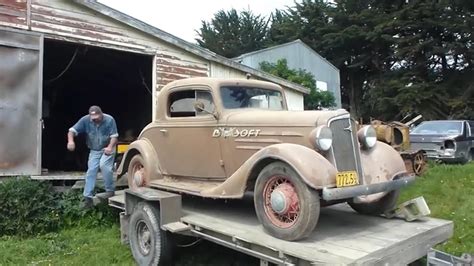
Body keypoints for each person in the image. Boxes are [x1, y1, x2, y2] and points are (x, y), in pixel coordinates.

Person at [67, 105, 118, 208]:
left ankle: (110, 191)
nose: (95, 120)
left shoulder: (109, 120)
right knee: (91, 170)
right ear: (90, 116)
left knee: (104, 166)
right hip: (94, 149)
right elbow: (71, 131)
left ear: (101, 114)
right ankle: (87, 198)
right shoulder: (85, 120)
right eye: (93, 119)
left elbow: (114, 136)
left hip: (107, 148)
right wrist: (71, 141)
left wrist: (109, 147)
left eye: (97, 118)